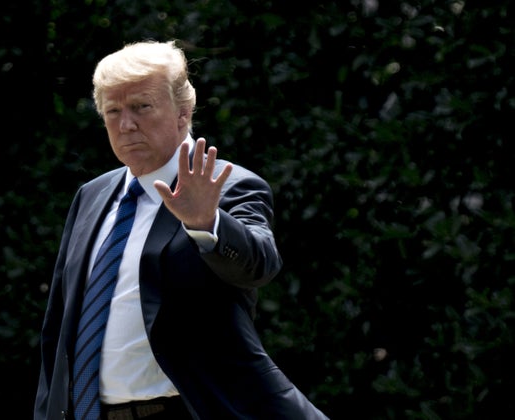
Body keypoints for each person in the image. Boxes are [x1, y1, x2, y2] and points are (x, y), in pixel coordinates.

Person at [34, 40, 328, 420]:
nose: (126, 125)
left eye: (142, 106)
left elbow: (259, 265)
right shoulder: (91, 196)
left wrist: (205, 223)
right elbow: (60, 328)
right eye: (113, 111)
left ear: (183, 113)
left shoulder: (227, 185)